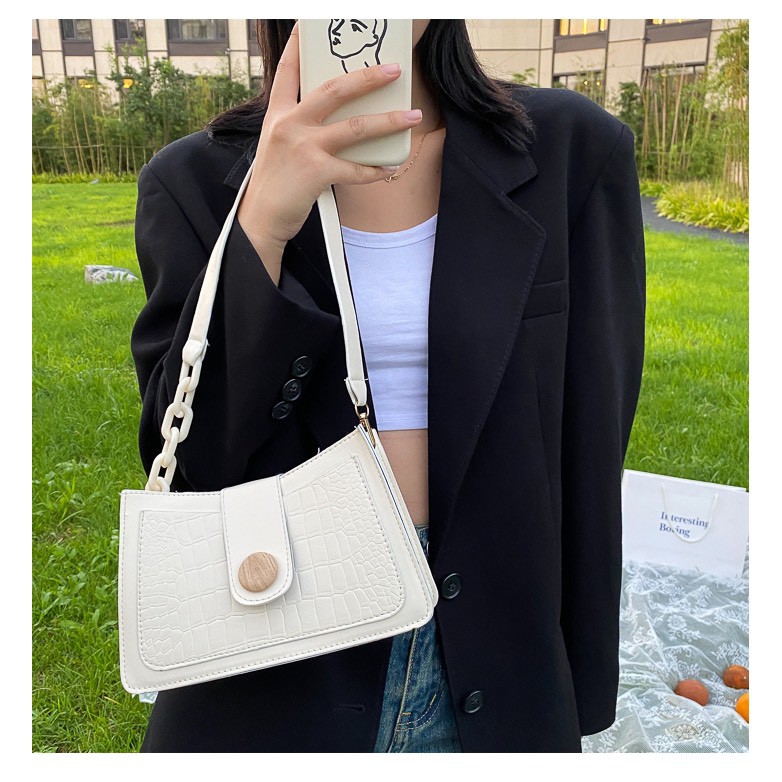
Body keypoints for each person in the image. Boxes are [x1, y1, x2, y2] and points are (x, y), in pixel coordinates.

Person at [130, 19, 646, 752]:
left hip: (498, 645)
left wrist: (580, 680)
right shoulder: (192, 181)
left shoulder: (572, 151)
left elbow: (594, 438)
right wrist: (263, 224)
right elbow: (190, 461)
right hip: (277, 651)